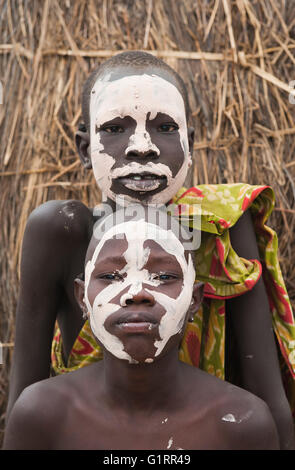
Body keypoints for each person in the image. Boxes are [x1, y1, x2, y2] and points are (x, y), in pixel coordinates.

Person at [6, 51, 295, 449]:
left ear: (189, 143)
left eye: (163, 127)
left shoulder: (221, 225)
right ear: (83, 147)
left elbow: (267, 393)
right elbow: (26, 394)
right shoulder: (62, 231)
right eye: (115, 128)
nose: (142, 146)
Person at [3, 208, 280, 450]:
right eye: (111, 276)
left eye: (164, 277)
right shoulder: (42, 414)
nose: (136, 293)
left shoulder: (241, 423)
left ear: (194, 300)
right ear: (81, 298)